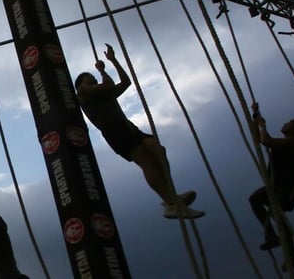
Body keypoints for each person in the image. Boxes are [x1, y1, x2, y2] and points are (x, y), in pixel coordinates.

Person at [74, 43, 203, 220]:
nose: (95, 81)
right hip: (115, 132)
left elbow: (126, 82)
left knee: (158, 149)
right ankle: (171, 203)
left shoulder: (104, 93)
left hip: (128, 127)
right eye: (91, 79)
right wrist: (103, 71)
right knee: (146, 160)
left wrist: (114, 61)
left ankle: (170, 196)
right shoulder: (83, 92)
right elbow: (109, 85)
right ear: (82, 83)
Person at [248, 104, 294, 272]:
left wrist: (262, 124)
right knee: (260, 203)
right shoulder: (285, 142)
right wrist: (256, 115)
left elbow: (266, 140)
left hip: (288, 188)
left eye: (289, 123)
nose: (285, 124)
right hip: (277, 187)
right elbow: (262, 139)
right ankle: (275, 238)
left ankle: (282, 244)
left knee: (277, 212)